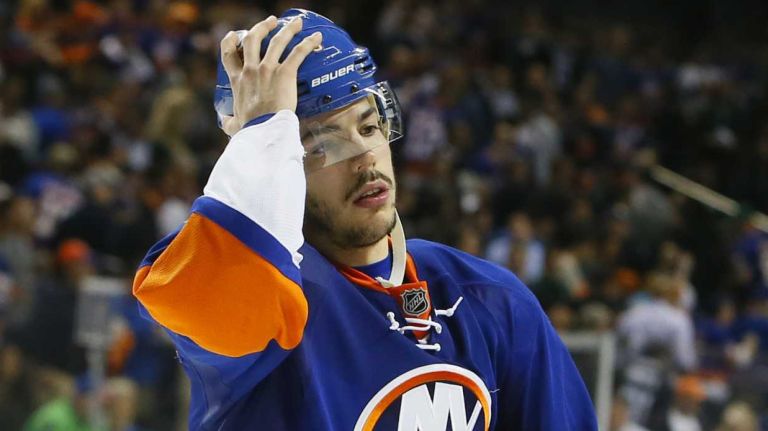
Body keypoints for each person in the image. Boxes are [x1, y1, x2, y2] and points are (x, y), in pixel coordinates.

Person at [133, 9, 597, 430]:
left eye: (369, 127)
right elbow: (209, 302)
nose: (365, 161)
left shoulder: (488, 298)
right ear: (277, 160)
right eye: (322, 145)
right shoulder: (264, 294)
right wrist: (263, 133)